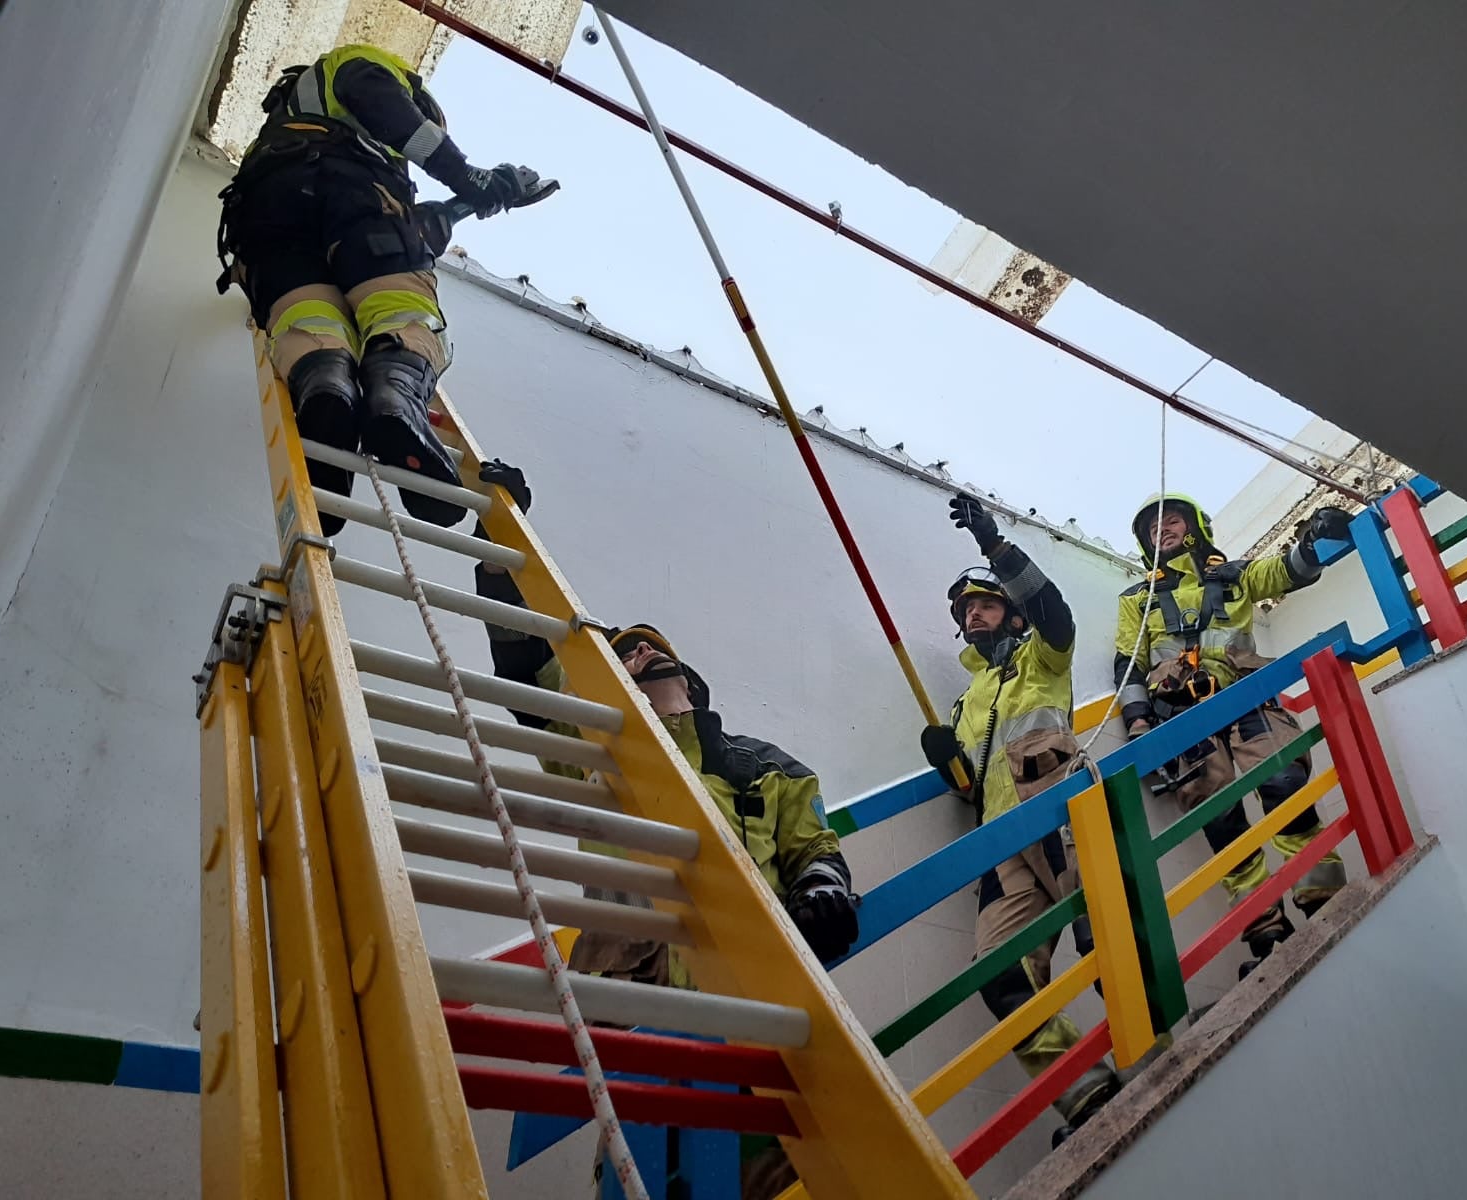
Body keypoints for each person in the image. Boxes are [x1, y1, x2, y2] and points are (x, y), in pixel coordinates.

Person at [468, 462, 856, 1198]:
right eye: (622, 654)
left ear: (690, 679)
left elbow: (812, 844)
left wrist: (823, 886)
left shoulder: (763, 765)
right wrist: (497, 536)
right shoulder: (590, 746)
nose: (635, 650)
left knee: (776, 1180)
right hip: (634, 1011)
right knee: (648, 1179)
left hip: (752, 1015)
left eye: (645, 647)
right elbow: (522, 660)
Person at [215, 44, 544, 533]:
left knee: (308, 315)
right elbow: (388, 233)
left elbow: (410, 228)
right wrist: (468, 175)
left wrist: (469, 203)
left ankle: (325, 390)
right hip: (350, 188)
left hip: (267, 213)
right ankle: (396, 395)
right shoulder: (363, 67)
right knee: (402, 306)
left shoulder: (293, 122)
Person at [920, 492, 1119, 1141]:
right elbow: (968, 785)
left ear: (1007, 613)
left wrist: (995, 547)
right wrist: (949, 764)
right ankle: (1086, 1092)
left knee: (1105, 939)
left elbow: (1052, 611)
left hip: (1056, 809)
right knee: (998, 979)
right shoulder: (968, 698)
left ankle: (1156, 1044)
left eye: (982, 602)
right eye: (964, 609)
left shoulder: (1041, 656)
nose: (971, 613)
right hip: (998, 842)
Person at [1114, 494, 1352, 976]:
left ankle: (1323, 895)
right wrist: (1138, 720)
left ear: (1196, 526)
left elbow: (1288, 571)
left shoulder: (1235, 574)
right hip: (1181, 717)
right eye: (1151, 528)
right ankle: (1265, 932)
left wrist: (1316, 538)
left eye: (1172, 520)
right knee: (1221, 824)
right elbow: (1128, 663)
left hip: (1245, 696)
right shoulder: (1136, 601)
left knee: (1284, 784)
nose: (1162, 529)